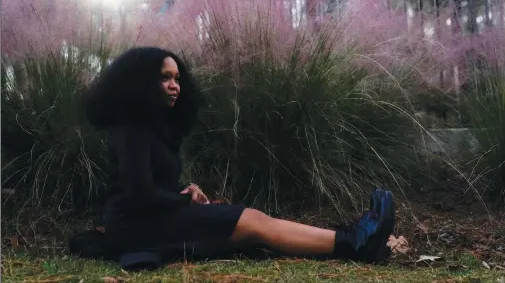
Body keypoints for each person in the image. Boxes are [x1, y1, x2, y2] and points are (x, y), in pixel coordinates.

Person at [84, 47, 396, 269]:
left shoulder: (151, 128)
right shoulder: (131, 130)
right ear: (142, 83)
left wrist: (185, 191)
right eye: (165, 78)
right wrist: (184, 201)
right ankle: (355, 242)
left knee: (253, 225)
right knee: (255, 222)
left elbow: (151, 185)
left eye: (177, 78)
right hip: (137, 227)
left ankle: (352, 238)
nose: (175, 86)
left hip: (152, 218)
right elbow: (139, 195)